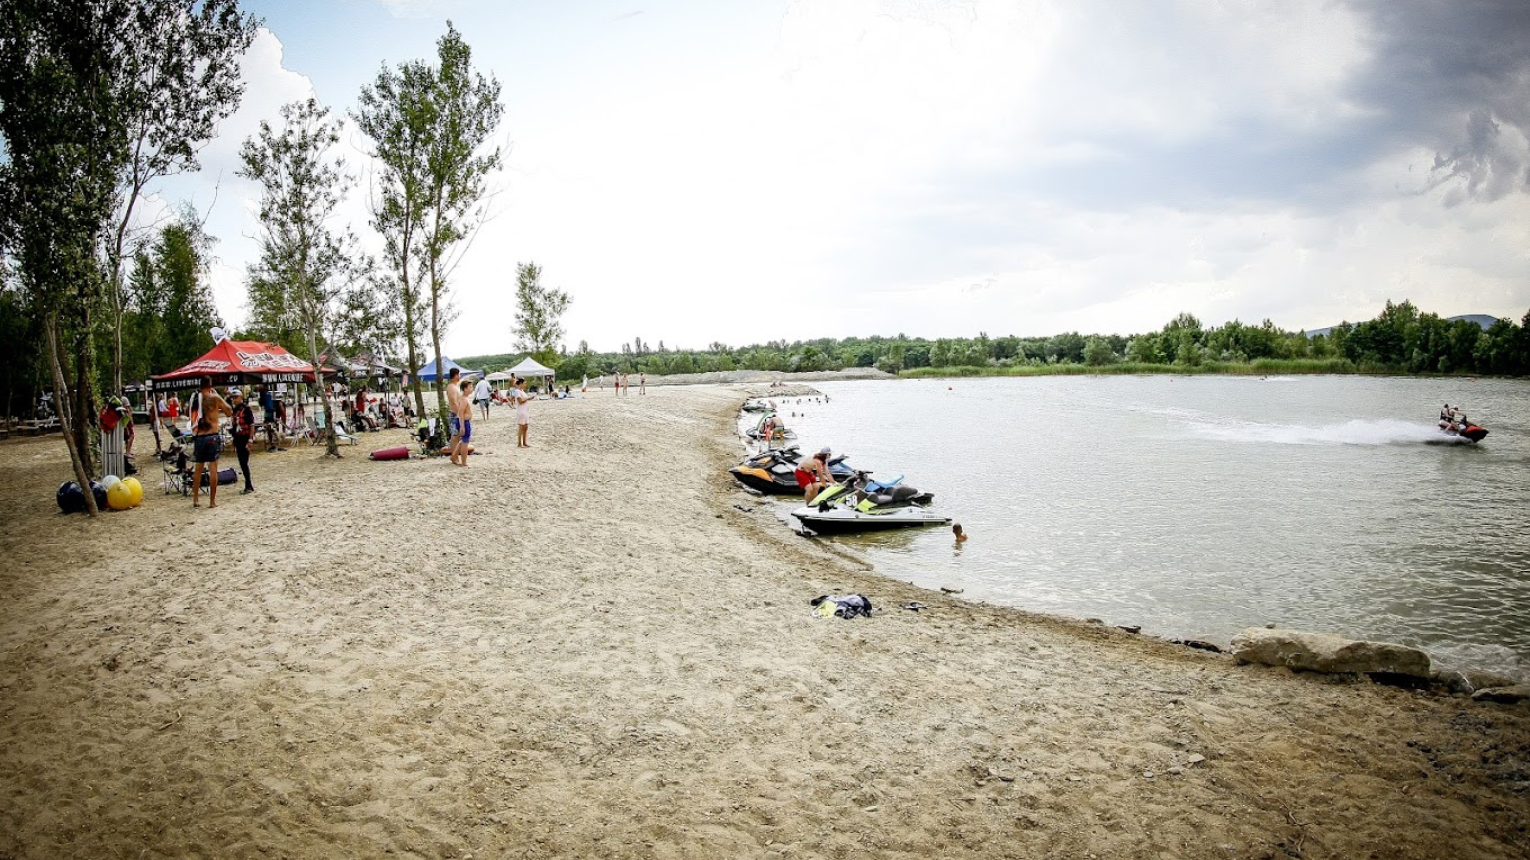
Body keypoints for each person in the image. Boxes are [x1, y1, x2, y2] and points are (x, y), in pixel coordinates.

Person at [190, 377, 231, 508]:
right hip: (212, 436)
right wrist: (219, 397)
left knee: (198, 469)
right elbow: (229, 411)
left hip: (199, 436)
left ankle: (195, 499)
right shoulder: (214, 398)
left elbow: (189, 413)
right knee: (213, 469)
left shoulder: (195, 398)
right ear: (210, 385)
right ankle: (212, 501)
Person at [229, 388, 256, 494]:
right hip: (238, 439)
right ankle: (248, 485)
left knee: (244, 462)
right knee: (242, 462)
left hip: (245, 438)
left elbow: (251, 425)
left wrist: (250, 440)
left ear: (241, 398)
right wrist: (233, 443)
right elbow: (235, 428)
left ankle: (248, 485)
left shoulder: (246, 409)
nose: (234, 400)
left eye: (236, 397)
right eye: (233, 398)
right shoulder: (235, 411)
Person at [445, 367, 468, 465]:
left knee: (458, 436)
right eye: (459, 374)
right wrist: (459, 413)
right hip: (455, 414)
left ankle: (455, 456)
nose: (460, 376)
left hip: (458, 413)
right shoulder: (451, 387)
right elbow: (453, 402)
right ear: (455, 375)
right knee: (455, 436)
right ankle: (454, 457)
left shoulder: (456, 386)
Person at [456, 378, 476, 462]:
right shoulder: (464, 399)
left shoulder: (464, 398)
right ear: (465, 389)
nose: (472, 388)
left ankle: (453, 456)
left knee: (463, 441)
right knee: (465, 442)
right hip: (463, 422)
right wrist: (462, 426)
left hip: (464, 421)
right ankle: (464, 462)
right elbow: (461, 412)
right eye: (470, 387)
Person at [513, 376, 532, 447]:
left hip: (525, 411)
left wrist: (528, 398)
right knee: (521, 427)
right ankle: (519, 443)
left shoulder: (522, 391)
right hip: (521, 411)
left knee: (525, 427)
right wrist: (528, 398)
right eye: (524, 383)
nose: (525, 385)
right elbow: (520, 401)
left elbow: (524, 399)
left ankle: (524, 442)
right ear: (521, 383)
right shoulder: (517, 391)